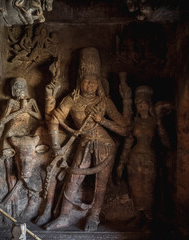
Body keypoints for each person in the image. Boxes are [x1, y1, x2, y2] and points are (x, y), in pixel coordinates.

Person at [44, 48, 132, 231]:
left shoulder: (104, 102)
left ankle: (94, 216)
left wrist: (103, 120)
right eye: (87, 80)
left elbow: (124, 129)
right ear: (79, 81)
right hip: (84, 143)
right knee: (73, 179)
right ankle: (63, 216)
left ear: (99, 82)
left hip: (106, 146)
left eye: (94, 81)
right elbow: (54, 119)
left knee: (101, 184)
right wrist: (55, 146)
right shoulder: (72, 100)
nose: (91, 84)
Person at [117, 85, 172, 231]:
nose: (140, 107)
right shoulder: (134, 122)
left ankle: (150, 218)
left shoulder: (154, 122)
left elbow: (166, 143)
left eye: (143, 104)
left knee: (148, 189)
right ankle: (138, 216)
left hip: (149, 158)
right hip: (134, 159)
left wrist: (160, 124)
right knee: (135, 189)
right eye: (138, 104)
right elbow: (128, 143)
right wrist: (121, 163)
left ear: (149, 104)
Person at [0, 77, 42, 192]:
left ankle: (27, 182)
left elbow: (40, 118)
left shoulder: (31, 102)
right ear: (13, 91)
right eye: (17, 87)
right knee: (9, 166)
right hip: (11, 136)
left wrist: (27, 110)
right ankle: (12, 189)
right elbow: (1, 121)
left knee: (28, 159)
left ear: (26, 89)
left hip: (26, 136)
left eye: (22, 87)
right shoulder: (11, 102)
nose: (20, 90)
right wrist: (18, 111)